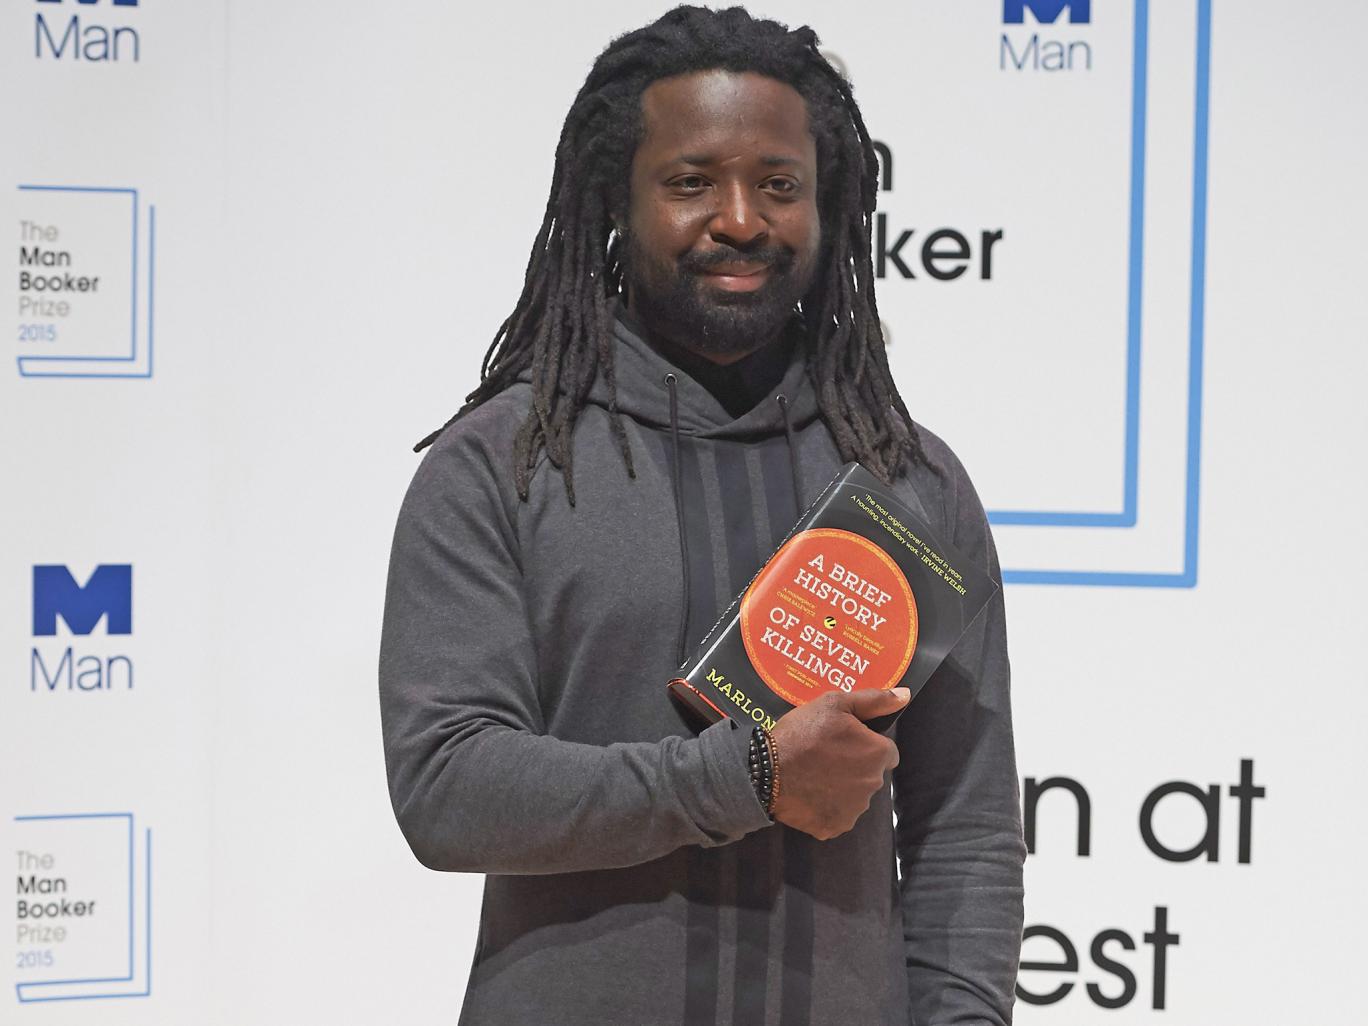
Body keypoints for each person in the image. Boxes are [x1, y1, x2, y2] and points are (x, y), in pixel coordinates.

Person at [379, 6, 1025, 1024]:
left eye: (780, 185)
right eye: (690, 182)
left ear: (829, 206)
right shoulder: (503, 465)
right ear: (616, 200)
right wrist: (749, 777)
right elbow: (448, 788)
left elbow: (966, 828)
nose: (740, 219)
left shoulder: (912, 484)